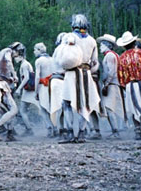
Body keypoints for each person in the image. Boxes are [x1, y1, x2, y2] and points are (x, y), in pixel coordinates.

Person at [60, 14, 101, 143]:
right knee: (85, 103)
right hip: (86, 73)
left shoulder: (68, 37)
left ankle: (70, 132)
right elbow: (95, 62)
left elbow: (61, 56)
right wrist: (88, 70)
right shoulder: (92, 41)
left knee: (66, 103)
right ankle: (82, 134)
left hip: (71, 73)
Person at [0, 42, 20, 141]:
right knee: (13, 109)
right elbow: (9, 62)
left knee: (7, 111)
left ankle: (9, 133)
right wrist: (14, 75)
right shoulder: (7, 51)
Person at [97, 34, 125, 138]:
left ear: (106, 45)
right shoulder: (114, 55)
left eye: (102, 45)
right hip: (114, 84)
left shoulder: (109, 56)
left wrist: (106, 84)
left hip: (112, 84)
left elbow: (111, 71)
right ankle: (115, 130)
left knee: (110, 108)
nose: (100, 47)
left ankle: (115, 131)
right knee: (111, 108)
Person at [14, 43, 38, 136]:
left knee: (23, 110)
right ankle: (29, 128)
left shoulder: (24, 65)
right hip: (29, 90)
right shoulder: (25, 64)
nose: (14, 59)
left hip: (28, 91)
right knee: (24, 110)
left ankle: (29, 129)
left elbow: (26, 77)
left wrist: (19, 89)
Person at [34, 42, 55, 137]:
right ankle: (57, 127)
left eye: (35, 50)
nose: (34, 52)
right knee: (53, 107)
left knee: (43, 108)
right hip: (54, 85)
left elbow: (37, 77)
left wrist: (36, 91)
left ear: (39, 50)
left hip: (44, 86)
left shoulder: (39, 61)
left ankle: (50, 127)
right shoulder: (52, 59)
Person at [49, 33, 67, 138]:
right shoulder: (61, 50)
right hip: (59, 79)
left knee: (62, 107)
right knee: (60, 106)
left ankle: (62, 128)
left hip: (60, 80)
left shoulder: (59, 50)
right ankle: (59, 129)